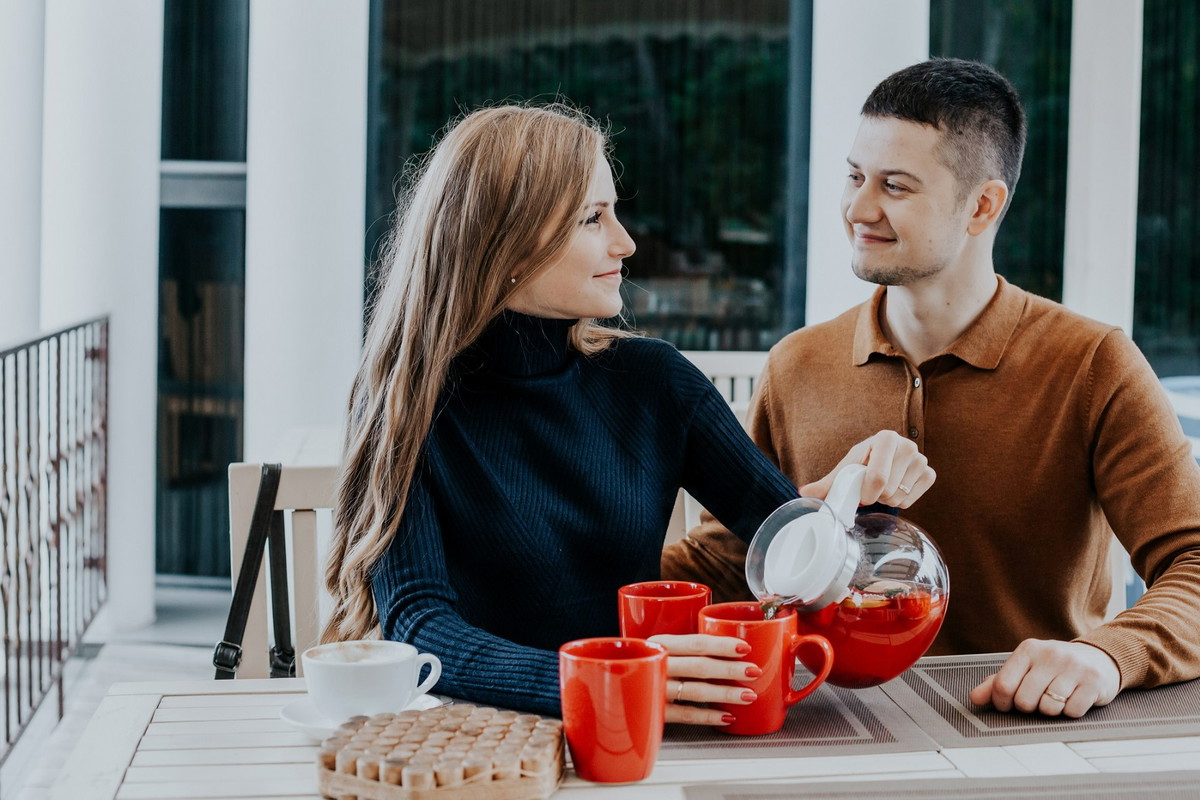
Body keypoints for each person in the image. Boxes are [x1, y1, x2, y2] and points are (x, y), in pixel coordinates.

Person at [321, 104, 935, 722]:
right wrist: (606, 679)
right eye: (593, 218)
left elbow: (790, 541)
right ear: (507, 247)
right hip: (476, 738)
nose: (626, 242)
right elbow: (421, 627)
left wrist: (855, 499)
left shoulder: (656, 382)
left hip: (634, 734)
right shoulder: (405, 402)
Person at [663, 58, 1200, 719]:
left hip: (1030, 723)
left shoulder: (1094, 364)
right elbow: (722, 569)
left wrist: (1109, 654)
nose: (858, 209)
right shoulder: (795, 365)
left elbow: (1194, 559)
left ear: (982, 206)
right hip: (820, 720)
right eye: (854, 177)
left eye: (894, 186)